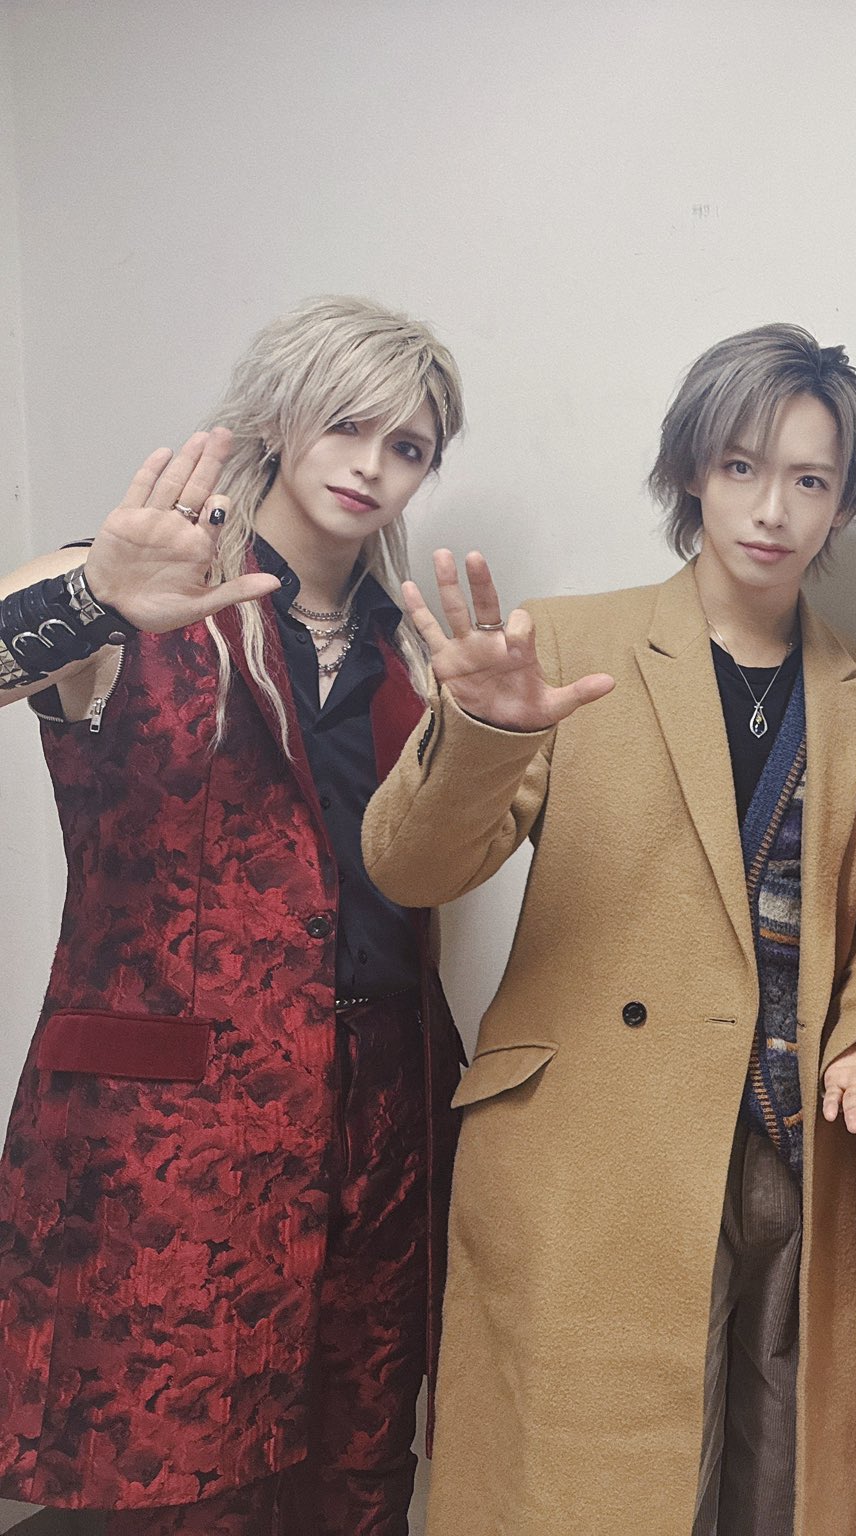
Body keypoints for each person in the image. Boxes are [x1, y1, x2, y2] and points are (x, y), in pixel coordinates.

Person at [359, 323, 856, 1536]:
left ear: (843, 503)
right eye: (740, 466)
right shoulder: (562, 647)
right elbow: (413, 867)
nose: (769, 508)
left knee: (781, 1493)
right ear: (689, 471)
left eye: (809, 479)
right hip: (594, 1144)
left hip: (795, 1151)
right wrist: (486, 734)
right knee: (589, 1492)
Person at [0, 296, 467, 1534]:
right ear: (280, 416)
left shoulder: (417, 649)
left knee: (359, 1466)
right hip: (169, 1135)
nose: (372, 465)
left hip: (384, 1111)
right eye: (347, 424)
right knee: (179, 1474)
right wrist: (94, 598)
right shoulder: (134, 588)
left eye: (408, 445)